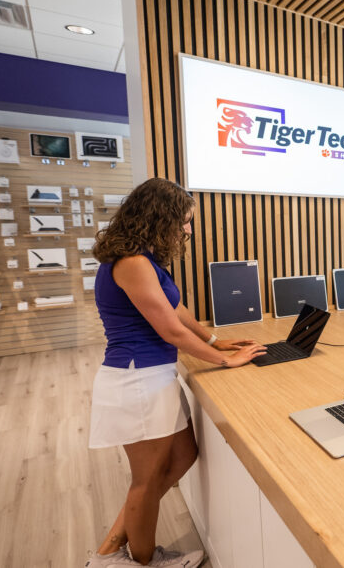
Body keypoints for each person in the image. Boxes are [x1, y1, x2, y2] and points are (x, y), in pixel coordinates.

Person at [86, 179, 266, 567]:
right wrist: (224, 361)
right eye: (184, 221)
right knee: (146, 482)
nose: (187, 230)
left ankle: (111, 549)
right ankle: (140, 562)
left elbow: (178, 310)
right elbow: (169, 330)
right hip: (137, 381)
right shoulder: (132, 263)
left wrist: (215, 341)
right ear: (158, 218)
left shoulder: (144, 258)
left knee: (183, 457)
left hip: (154, 376)